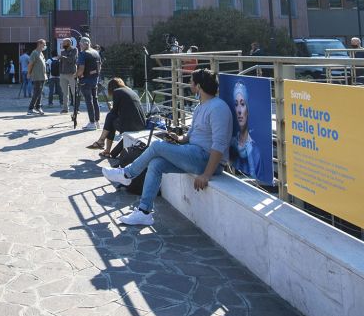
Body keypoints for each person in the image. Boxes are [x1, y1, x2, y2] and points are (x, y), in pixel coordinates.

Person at [102, 69, 229, 226]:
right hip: (193, 153)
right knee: (156, 165)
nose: (189, 85)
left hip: (205, 160)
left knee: (156, 146)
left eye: (191, 82)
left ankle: (127, 174)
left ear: (199, 86)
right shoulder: (201, 107)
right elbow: (190, 136)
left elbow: (219, 144)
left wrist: (207, 175)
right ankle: (144, 212)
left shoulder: (218, 108)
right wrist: (178, 139)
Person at [91, 78, 145, 156]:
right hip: (141, 124)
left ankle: (102, 142)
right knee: (111, 118)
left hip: (131, 126)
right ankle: (105, 148)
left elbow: (114, 112)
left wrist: (112, 107)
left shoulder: (117, 92)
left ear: (111, 88)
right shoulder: (129, 90)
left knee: (110, 118)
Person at [229, 80, 260, 179]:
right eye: (236, 104)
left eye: (242, 104)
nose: (239, 111)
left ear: (248, 108)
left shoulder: (254, 149)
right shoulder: (234, 140)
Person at [76, 36, 103, 129]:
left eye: (80, 44)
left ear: (85, 44)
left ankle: (92, 123)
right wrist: (93, 74)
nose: (79, 46)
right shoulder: (96, 53)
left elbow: (81, 68)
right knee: (95, 100)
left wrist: (76, 75)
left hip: (85, 81)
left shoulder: (83, 53)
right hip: (94, 80)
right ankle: (97, 121)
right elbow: (99, 68)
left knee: (89, 101)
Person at [58, 38, 79, 115]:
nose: (63, 45)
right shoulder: (62, 52)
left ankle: (76, 109)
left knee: (74, 92)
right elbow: (61, 63)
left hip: (72, 74)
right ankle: (65, 108)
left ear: (69, 43)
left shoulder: (74, 50)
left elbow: (72, 60)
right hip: (63, 74)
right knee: (64, 92)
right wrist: (60, 72)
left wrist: (63, 57)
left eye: (64, 43)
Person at [26, 39, 47, 115]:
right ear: (39, 44)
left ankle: (38, 107)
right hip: (37, 76)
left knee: (40, 92)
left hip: (43, 76)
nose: (45, 46)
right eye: (44, 44)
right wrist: (28, 73)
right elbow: (30, 64)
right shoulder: (34, 53)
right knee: (37, 92)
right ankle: (30, 108)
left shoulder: (41, 53)